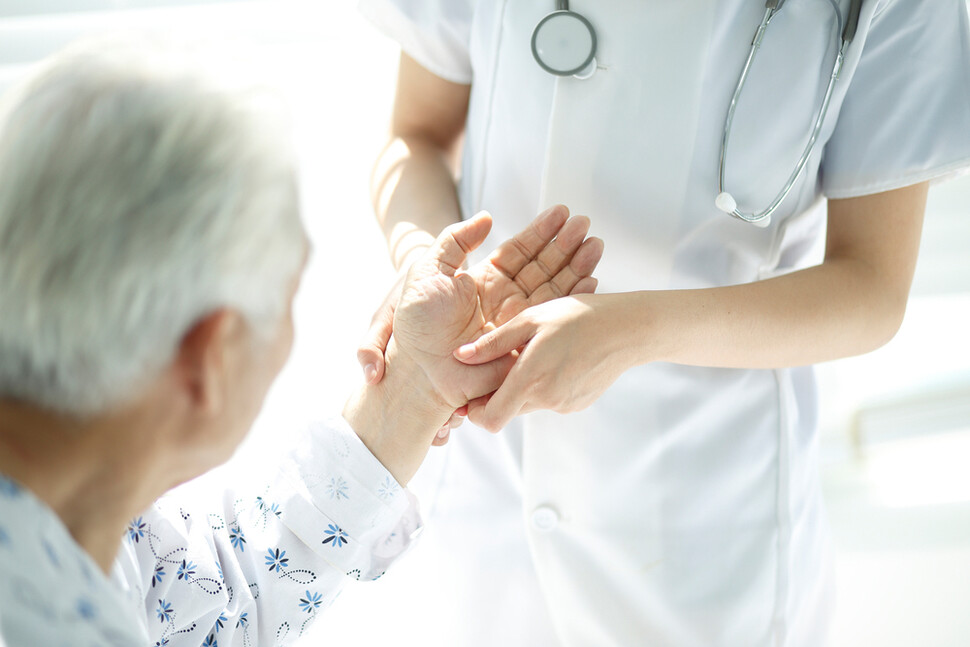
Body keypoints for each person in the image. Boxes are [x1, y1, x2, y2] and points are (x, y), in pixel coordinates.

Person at [355, 1, 970, 645]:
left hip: (704, 526)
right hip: (485, 497)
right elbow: (415, 139)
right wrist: (422, 259)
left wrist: (633, 332)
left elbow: (870, 288)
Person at [0, 39, 603, 646]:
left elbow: (210, 601)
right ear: (210, 356)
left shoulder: (79, 523)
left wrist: (413, 390)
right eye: (290, 295)